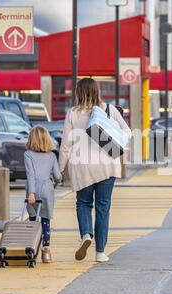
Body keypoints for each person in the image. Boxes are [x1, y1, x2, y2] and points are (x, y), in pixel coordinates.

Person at [59, 77, 130, 263]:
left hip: (82, 167)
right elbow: (128, 132)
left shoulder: (72, 114)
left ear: (78, 92)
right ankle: (100, 252)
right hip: (107, 165)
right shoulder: (109, 110)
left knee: (83, 203)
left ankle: (86, 235)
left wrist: (59, 169)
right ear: (97, 91)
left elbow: (66, 145)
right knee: (103, 207)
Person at [25, 126, 62, 263]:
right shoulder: (52, 155)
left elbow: (30, 175)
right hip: (47, 188)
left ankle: (32, 249)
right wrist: (55, 183)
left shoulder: (28, 154)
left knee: (34, 220)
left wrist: (31, 193)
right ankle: (46, 252)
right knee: (46, 220)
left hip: (32, 189)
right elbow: (58, 176)